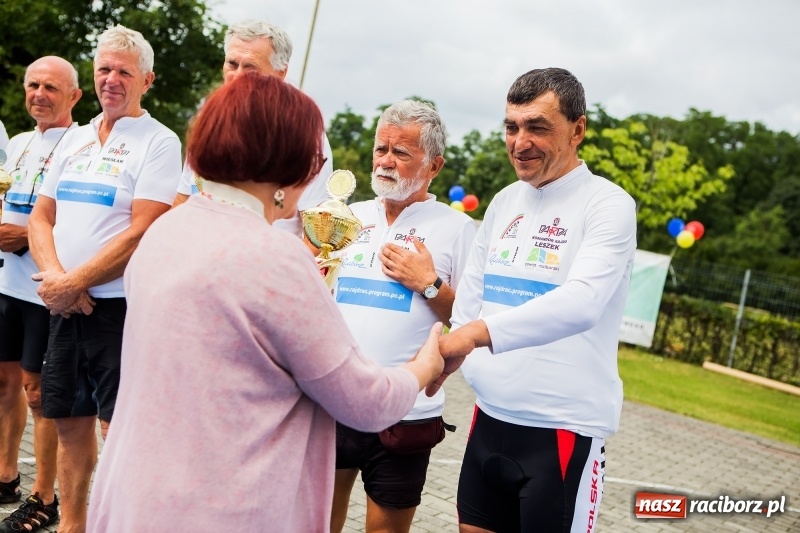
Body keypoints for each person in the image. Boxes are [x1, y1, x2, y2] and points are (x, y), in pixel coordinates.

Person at [85, 72, 444, 533]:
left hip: (134, 499)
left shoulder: (165, 232)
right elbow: (366, 403)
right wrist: (424, 366)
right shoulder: (276, 256)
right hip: (224, 507)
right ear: (291, 159)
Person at [432, 68, 637, 533]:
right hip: (488, 422)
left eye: (537, 127)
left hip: (561, 429)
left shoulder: (607, 204)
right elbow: (474, 298)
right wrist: (454, 351)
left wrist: (475, 334)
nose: (519, 141)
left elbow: (583, 303)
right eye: (511, 126)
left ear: (578, 129)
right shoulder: (505, 201)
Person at [27, 26, 181, 533]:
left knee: (118, 430)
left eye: (124, 72)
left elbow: (143, 231)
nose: (111, 80)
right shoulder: (73, 138)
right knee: (69, 423)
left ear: (147, 80)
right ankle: (72, 525)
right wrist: (57, 280)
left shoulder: (159, 141)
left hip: (118, 309)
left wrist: (77, 284)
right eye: (104, 70)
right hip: (64, 305)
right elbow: (40, 217)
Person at [329, 100, 476, 533]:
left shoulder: (456, 229)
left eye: (401, 153)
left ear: (434, 164)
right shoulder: (347, 218)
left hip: (407, 412)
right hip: (336, 398)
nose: (385, 161)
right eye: (381, 149)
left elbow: (470, 322)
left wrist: (428, 284)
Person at [0, 56, 82, 533]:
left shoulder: (82, 143)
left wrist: (23, 238)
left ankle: (44, 496)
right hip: (6, 282)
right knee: (4, 383)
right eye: (33, 85)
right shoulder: (18, 142)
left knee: (40, 394)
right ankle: (7, 475)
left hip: (44, 289)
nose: (39, 94)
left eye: (51, 87)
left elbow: (74, 219)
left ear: (74, 95)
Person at [172, 19, 333, 237]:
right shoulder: (208, 119)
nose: (237, 76)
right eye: (232, 63)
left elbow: (315, 233)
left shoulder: (306, 134)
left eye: (250, 68)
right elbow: (184, 197)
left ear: (280, 73)